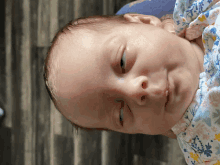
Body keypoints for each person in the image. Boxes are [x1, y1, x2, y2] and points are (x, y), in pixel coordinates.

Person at [43, 0, 220, 164]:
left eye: (122, 62)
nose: (134, 91)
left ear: (145, 21)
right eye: (121, 115)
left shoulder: (197, 8)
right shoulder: (202, 150)